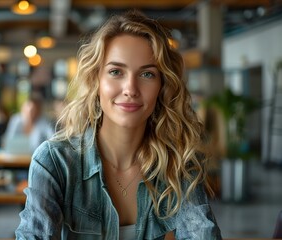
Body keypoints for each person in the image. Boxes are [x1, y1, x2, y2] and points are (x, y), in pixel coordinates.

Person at [15, 10, 222, 239]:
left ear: (162, 86)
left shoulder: (178, 162)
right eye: (116, 72)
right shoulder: (54, 162)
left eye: (147, 74)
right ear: (96, 80)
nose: (130, 89)